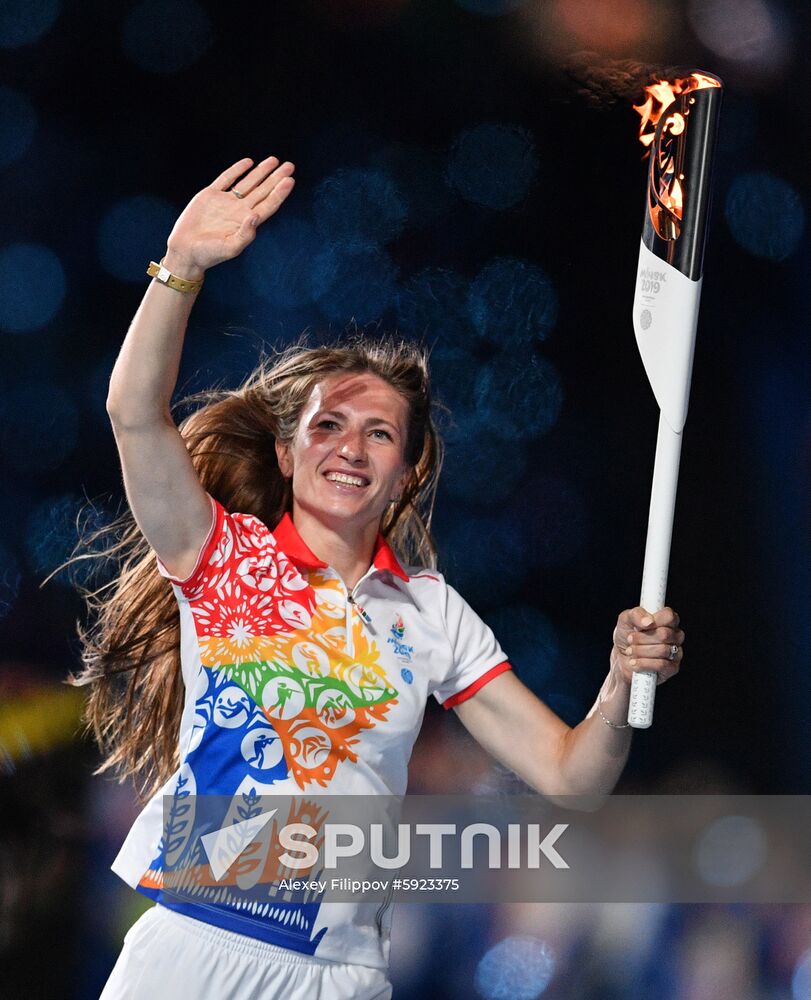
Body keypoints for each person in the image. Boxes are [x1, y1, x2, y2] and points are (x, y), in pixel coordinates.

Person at [74, 155, 684, 999]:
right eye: (328, 424)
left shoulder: (429, 612)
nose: (350, 448)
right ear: (287, 454)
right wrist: (179, 266)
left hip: (340, 977)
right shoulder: (222, 558)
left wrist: (621, 681)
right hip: (192, 953)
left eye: (379, 434)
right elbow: (132, 413)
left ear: (408, 471)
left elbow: (573, 776)